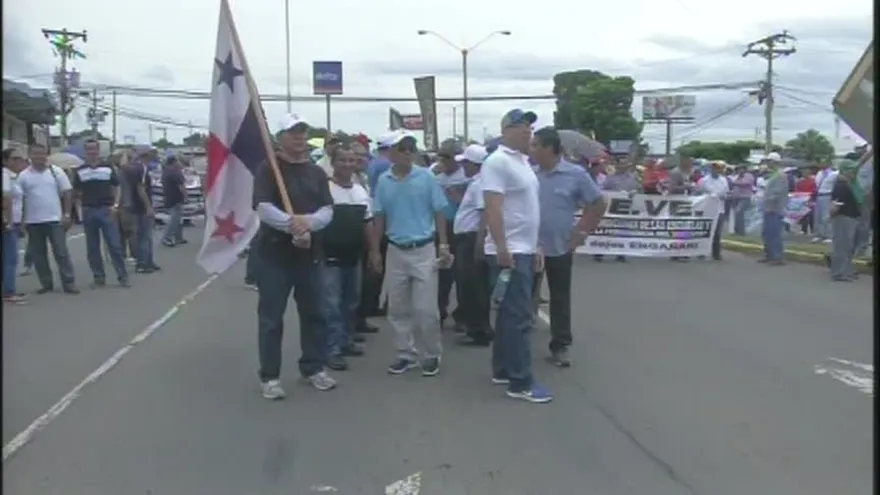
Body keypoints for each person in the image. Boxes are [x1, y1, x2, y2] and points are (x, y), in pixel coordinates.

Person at [253, 114, 336, 399]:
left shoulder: (316, 172)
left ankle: (313, 367)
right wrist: (292, 225)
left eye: (302, 131)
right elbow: (263, 207)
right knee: (271, 318)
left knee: (316, 314)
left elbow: (327, 210)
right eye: (293, 132)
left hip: (309, 254)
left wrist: (308, 224)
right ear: (280, 137)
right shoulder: (269, 169)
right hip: (274, 256)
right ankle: (270, 376)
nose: (300, 136)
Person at [482, 109, 552, 403]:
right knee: (518, 317)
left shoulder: (522, 162)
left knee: (509, 317)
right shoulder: (497, 162)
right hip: (510, 251)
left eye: (530, 127)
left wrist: (535, 244)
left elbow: (526, 210)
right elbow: (493, 207)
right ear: (506, 130)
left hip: (523, 247)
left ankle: (502, 369)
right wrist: (501, 247)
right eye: (522, 127)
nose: (528, 132)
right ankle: (520, 381)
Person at [370, 130, 450, 377]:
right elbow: (379, 217)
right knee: (398, 308)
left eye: (410, 149)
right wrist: (375, 251)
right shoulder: (384, 181)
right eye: (402, 149)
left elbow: (439, 212)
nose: (407, 153)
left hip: (424, 249)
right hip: (396, 249)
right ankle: (406, 354)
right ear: (391, 153)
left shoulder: (426, 178)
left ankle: (432, 354)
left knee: (426, 310)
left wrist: (444, 245)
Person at [530, 127, 605, 368]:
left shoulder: (576, 175)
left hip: (560, 246)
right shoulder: (530, 174)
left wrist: (581, 231)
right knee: (523, 294)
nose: (531, 150)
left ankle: (560, 344)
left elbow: (597, 203)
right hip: (530, 246)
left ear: (549, 149)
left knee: (559, 297)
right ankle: (520, 340)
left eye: (535, 146)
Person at [321, 143, 377, 371]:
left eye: (351, 160)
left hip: (354, 256)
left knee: (350, 302)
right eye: (342, 160)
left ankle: (345, 341)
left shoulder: (360, 190)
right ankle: (331, 349)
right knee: (331, 305)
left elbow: (368, 223)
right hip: (328, 256)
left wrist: (374, 252)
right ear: (333, 162)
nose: (347, 164)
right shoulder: (324, 189)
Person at [16, 143, 79, 294]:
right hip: (33, 222)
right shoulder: (23, 176)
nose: (39, 157)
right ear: (30, 156)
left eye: (42, 154)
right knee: (39, 256)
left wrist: (67, 214)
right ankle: (46, 284)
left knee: (61, 253)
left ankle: (69, 283)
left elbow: (67, 193)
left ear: (47, 155)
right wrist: (21, 220)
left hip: (55, 220)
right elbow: (20, 198)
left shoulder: (56, 172)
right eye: (36, 154)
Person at [72, 139, 130, 288]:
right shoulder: (79, 170)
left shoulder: (108, 168)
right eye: (88, 149)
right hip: (88, 210)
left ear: (98, 151)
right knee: (92, 247)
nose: (92, 152)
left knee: (115, 245)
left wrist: (115, 205)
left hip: (106, 209)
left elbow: (117, 187)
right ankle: (99, 276)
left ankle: (122, 276)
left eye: (94, 149)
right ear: (85, 151)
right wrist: (80, 207)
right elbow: (76, 192)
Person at [451, 144, 493, 346]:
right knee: (471, 284)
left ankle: (478, 330)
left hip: (471, 238)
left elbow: (484, 212)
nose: (463, 167)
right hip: (467, 237)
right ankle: (477, 326)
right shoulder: (477, 183)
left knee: (472, 285)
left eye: (465, 163)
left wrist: (479, 242)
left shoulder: (480, 184)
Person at [431, 138, 469, 331]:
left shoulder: (465, 177)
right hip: (441, 226)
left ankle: (462, 314)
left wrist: (456, 195)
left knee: (462, 273)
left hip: (460, 226)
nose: (444, 162)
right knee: (442, 272)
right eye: (441, 157)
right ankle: (440, 310)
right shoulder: (435, 177)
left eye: (448, 157)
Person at [124, 146, 161, 273]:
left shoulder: (135, 168)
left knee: (145, 236)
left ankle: (148, 261)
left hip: (136, 206)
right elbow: (141, 189)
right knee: (144, 236)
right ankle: (142, 263)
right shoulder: (142, 169)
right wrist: (148, 207)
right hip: (142, 206)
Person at [599, 157, 640, 262]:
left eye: (625, 165)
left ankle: (621, 252)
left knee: (623, 231)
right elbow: (604, 190)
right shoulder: (610, 178)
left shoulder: (631, 178)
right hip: (612, 207)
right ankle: (599, 251)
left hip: (625, 208)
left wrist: (634, 192)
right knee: (607, 230)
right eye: (621, 164)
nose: (623, 167)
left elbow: (638, 190)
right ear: (617, 166)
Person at [828, 161, 862, 282]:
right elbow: (835, 205)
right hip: (843, 218)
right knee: (842, 246)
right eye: (851, 170)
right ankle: (838, 273)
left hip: (850, 218)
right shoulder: (840, 185)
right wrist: (832, 217)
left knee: (847, 246)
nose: (853, 172)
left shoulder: (849, 184)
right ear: (845, 171)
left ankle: (846, 271)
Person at [2, 148, 28, 303]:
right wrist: (9, 222)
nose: (18, 161)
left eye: (20, 158)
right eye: (14, 158)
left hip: (13, 222)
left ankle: (7, 289)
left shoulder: (15, 177)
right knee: (10, 258)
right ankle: (9, 291)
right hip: (8, 223)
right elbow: (6, 199)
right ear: (5, 161)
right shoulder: (5, 174)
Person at [666, 156, 699, 261]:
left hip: (687, 203)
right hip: (677, 202)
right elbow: (672, 188)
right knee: (677, 227)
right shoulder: (675, 172)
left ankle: (683, 250)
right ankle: (676, 251)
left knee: (685, 227)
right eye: (690, 162)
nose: (691, 165)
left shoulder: (690, 172)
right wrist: (687, 186)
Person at [697, 161, 731, 261]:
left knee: (717, 233)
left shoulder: (724, 180)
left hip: (719, 209)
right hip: (706, 209)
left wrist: (723, 196)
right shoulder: (704, 180)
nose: (716, 170)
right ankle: (701, 251)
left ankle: (716, 253)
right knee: (704, 231)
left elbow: (726, 193)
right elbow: (699, 192)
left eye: (718, 168)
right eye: (714, 168)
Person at [759, 153, 788, 265]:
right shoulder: (773, 175)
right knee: (767, 233)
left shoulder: (780, 175)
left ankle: (777, 256)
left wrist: (768, 200)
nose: (767, 164)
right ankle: (769, 254)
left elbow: (777, 193)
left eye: (769, 161)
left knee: (774, 233)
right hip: (768, 207)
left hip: (775, 208)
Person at [161, 155, 188, 247]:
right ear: (174, 162)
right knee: (174, 219)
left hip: (169, 197)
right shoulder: (176, 172)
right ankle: (167, 238)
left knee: (178, 218)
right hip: (176, 198)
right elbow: (181, 186)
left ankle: (178, 237)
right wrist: (185, 196)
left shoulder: (166, 171)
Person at [811, 162, 837, 243]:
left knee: (826, 216)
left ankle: (829, 235)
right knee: (817, 216)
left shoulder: (834, 173)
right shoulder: (819, 173)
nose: (822, 164)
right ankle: (818, 234)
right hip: (818, 195)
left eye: (824, 162)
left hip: (827, 195)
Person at [729, 165, 755, 236]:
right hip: (736, 198)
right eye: (738, 169)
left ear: (744, 169)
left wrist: (734, 183)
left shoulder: (749, 176)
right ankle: (737, 231)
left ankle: (741, 232)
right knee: (736, 214)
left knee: (739, 211)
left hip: (745, 198)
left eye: (741, 169)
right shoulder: (737, 176)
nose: (739, 171)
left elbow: (745, 183)